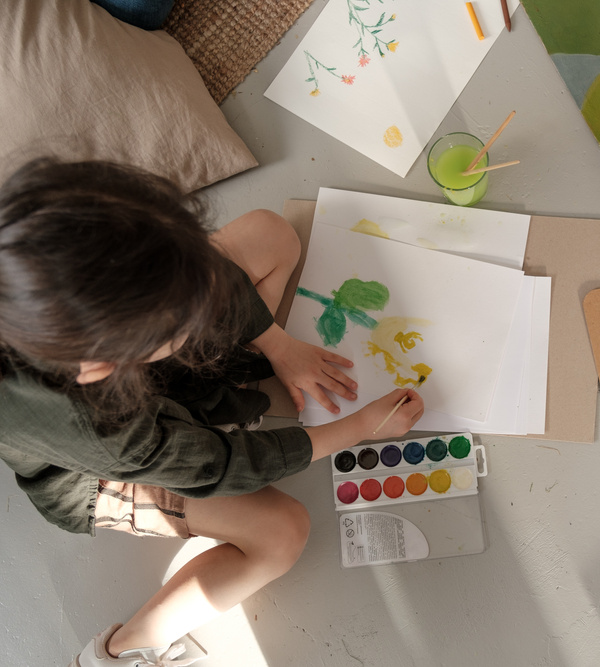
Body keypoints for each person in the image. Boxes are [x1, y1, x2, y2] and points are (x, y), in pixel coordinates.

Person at [0, 158, 424, 666]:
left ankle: (217, 374)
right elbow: (215, 466)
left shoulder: (50, 255)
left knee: (271, 233)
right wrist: (360, 426)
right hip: (88, 474)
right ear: (104, 363)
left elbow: (202, 275)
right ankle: (124, 650)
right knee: (282, 533)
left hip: (133, 371)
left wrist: (277, 343)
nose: (201, 309)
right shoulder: (101, 429)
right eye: (183, 317)